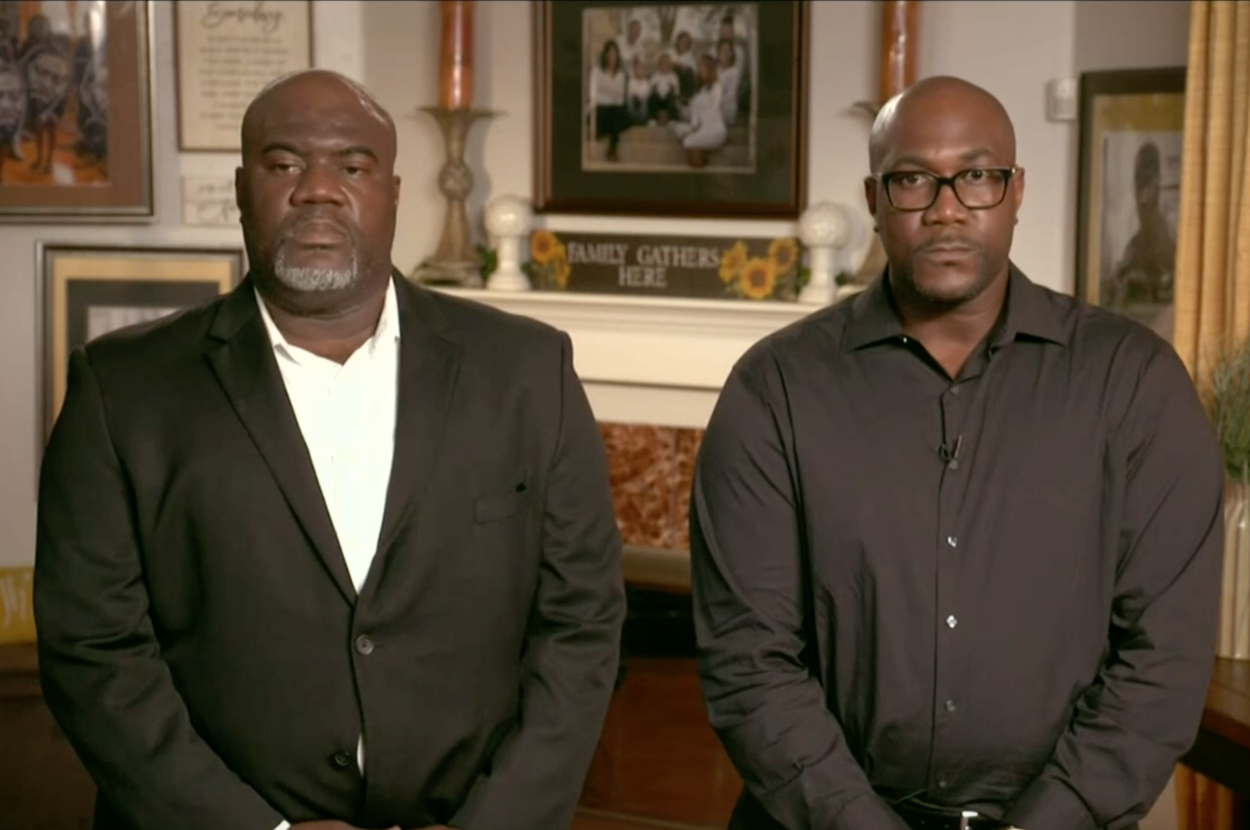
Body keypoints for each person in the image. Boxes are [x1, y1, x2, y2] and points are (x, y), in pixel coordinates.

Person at [34, 69, 626, 830]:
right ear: (243, 190)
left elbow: (582, 622)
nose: (318, 189)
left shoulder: (527, 372)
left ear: (393, 192)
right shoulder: (122, 391)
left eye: (352, 165)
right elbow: (93, 652)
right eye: (285, 165)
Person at [690, 75, 1224, 830]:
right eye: (914, 180)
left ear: (1014, 193)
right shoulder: (774, 389)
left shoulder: (1133, 383)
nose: (946, 208)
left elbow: (1162, 662)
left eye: (975, 176)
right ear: (875, 200)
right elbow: (749, 662)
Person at [670, 54, 726, 169]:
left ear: (710, 71)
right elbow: (694, 120)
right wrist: (681, 108)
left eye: (704, 71)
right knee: (678, 129)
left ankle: (701, 168)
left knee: (688, 141)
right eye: (700, 71)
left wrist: (696, 131)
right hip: (702, 129)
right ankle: (701, 162)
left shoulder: (716, 87)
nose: (701, 74)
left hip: (715, 130)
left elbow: (713, 113)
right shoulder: (698, 94)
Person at [589, 39, 628, 162]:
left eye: (615, 53)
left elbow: (621, 97)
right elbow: (593, 95)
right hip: (599, 109)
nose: (612, 56)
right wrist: (609, 99)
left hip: (615, 110)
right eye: (610, 53)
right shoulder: (597, 71)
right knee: (614, 116)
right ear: (605, 55)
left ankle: (610, 145)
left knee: (624, 116)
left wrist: (609, 99)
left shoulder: (621, 74)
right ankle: (612, 148)